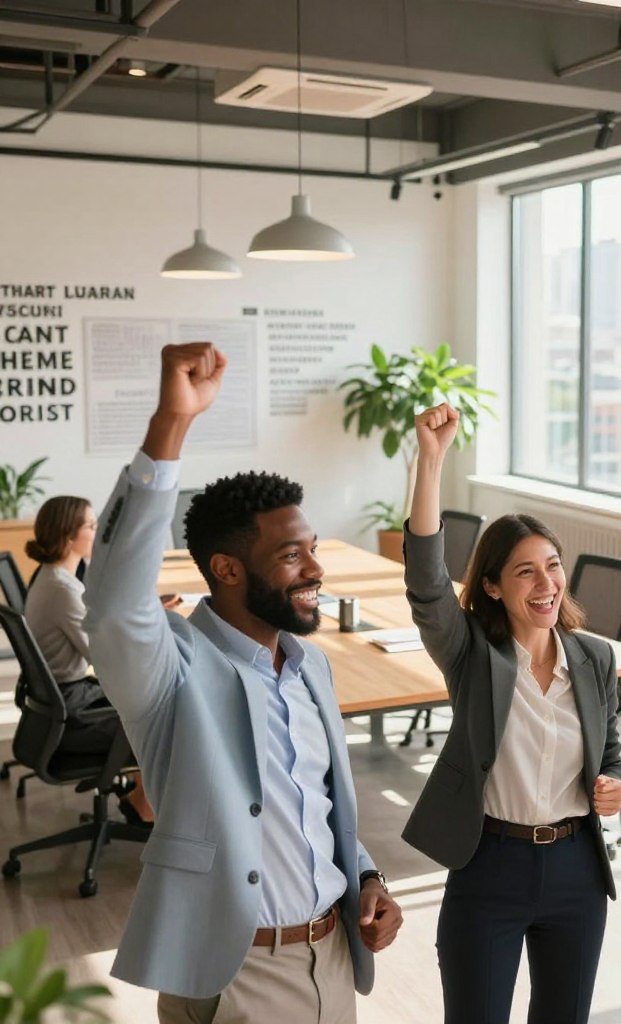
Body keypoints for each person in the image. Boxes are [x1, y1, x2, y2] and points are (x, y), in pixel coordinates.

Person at [83, 343, 403, 1024]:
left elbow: (314, 803)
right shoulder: (173, 673)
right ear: (227, 570)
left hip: (335, 954)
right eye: (292, 555)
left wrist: (369, 876)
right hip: (240, 975)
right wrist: (169, 426)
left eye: (312, 546)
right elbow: (112, 606)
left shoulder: (309, 665)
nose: (315, 568)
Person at [401, 402, 621, 1024]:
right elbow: (425, 583)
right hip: (489, 865)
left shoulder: (594, 658)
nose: (546, 583)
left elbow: (608, 752)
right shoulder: (472, 651)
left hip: (577, 868)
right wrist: (431, 461)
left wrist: (613, 785)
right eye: (525, 572)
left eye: (553, 566)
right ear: (494, 586)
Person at [24, 495, 153, 825]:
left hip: (61, 703)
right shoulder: (61, 590)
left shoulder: (53, 577)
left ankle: (140, 794)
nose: (98, 533)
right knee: (160, 716)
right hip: (71, 712)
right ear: (70, 535)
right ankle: (142, 804)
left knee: (148, 700)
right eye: (92, 526)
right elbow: (103, 657)